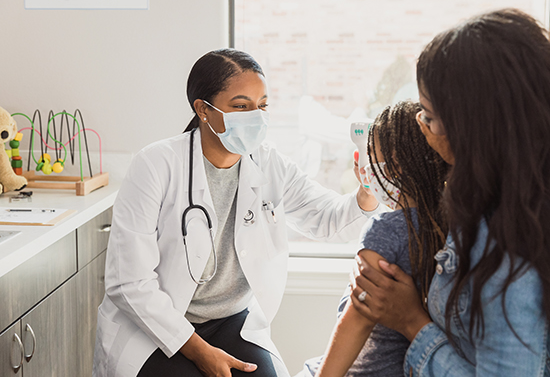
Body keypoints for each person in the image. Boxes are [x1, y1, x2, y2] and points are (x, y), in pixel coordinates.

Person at [92, 48, 381, 377]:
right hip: (156, 326)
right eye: (241, 106)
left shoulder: (269, 164)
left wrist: (366, 190)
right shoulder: (156, 166)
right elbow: (129, 283)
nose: (256, 116)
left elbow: (328, 219)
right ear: (203, 109)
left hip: (231, 322)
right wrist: (201, 353)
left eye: (262, 106)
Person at [350, 8, 550, 376]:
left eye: (427, 115)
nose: (421, 127)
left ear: (471, 127)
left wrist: (412, 322)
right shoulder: (491, 203)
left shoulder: (512, 252)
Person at [301, 101, 448, 377]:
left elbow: (356, 322)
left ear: (394, 165)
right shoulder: (448, 226)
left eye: (371, 157)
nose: (367, 168)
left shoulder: (385, 230)